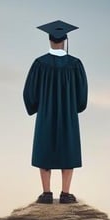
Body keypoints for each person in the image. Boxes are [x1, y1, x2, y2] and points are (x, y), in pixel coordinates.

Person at [23, 20, 88, 204]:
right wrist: (73, 108)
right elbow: (82, 95)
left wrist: (36, 106)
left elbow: (29, 92)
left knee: (45, 148)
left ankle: (46, 193)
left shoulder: (39, 64)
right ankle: (66, 194)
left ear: (50, 40)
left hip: (46, 114)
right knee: (68, 148)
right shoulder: (75, 64)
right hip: (68, 114)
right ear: (65, 40)